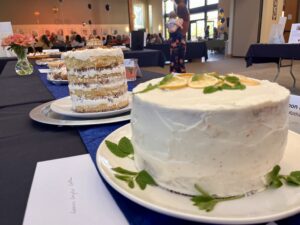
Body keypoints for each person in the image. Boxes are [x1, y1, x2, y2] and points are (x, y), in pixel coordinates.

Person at [170, 0, 190, 73]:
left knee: (174, 62)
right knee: (181, 62)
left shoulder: (179, 20)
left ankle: (174, 78)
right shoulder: (186, 19)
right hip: (183, 41)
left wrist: (169, 25)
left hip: (176, 42)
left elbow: (172, 30)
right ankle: (181, 77)